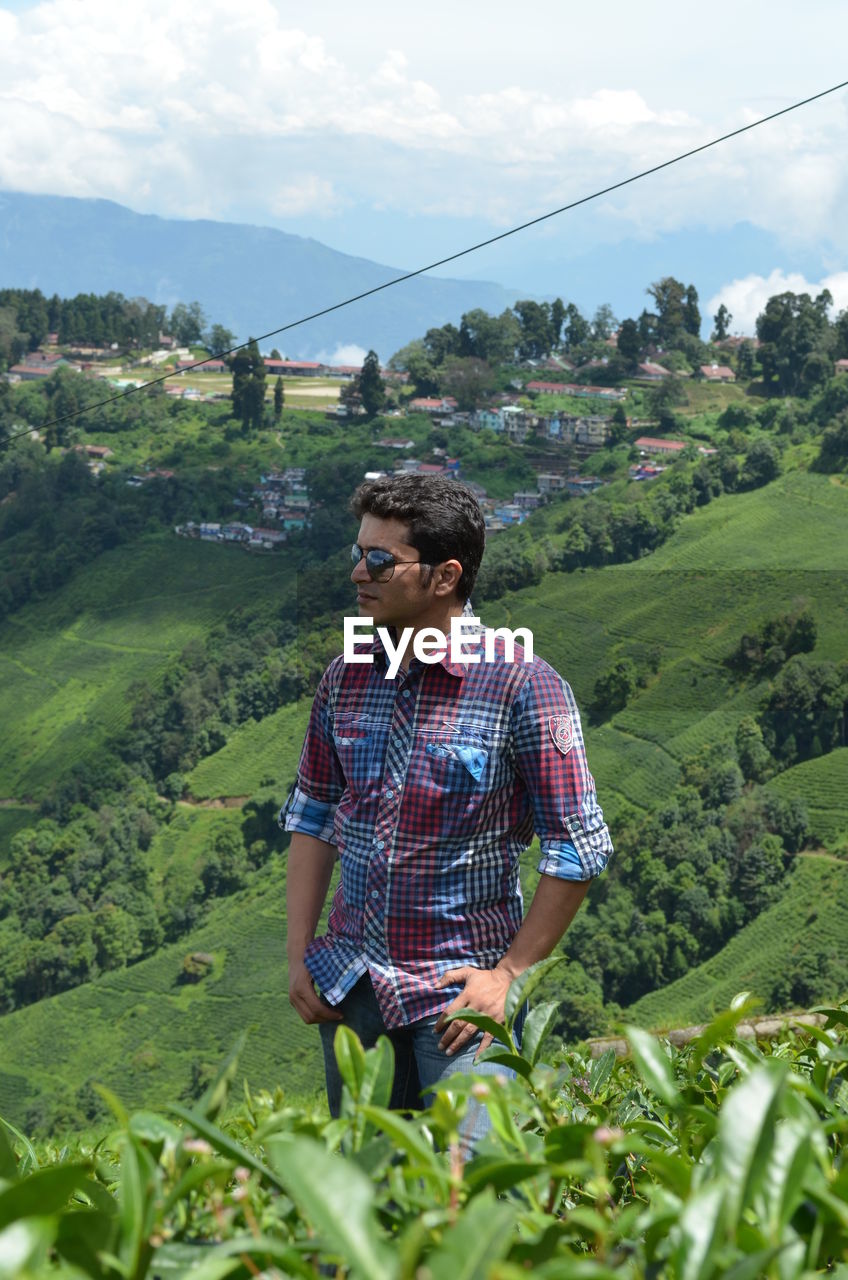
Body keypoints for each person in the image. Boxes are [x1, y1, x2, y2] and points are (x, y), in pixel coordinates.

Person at [280, 473, 613, 1145]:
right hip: (351, 991)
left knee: (480, 1193)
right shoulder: (346, 677)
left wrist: (509, 977)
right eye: (359, 552)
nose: (358, 573)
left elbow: (577, 848)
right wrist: (299, 957)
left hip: (459, 1004)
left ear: (444, 575)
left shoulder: (523, 686)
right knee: (364, 1201)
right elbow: (313, 817)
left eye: (380, 560)